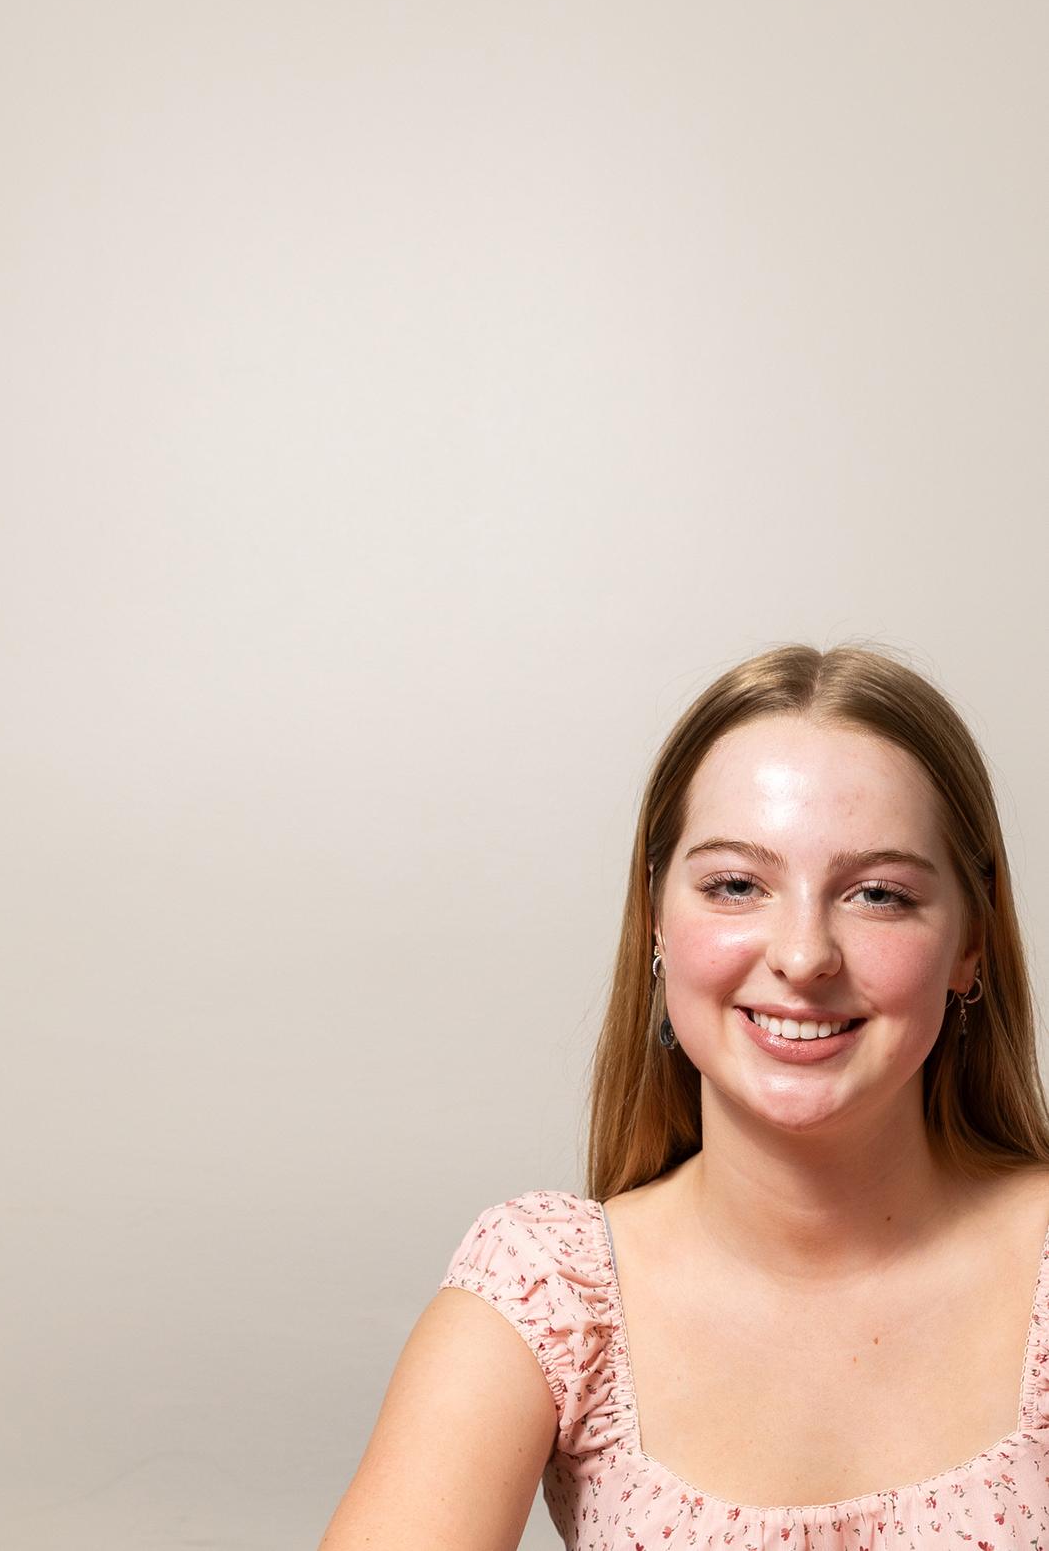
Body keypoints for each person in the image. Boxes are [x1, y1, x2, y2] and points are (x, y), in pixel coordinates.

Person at [317, 643, 1049, 1549]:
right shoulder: (551, 1295)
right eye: (737, 885)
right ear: (656, 920)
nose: (803, 954)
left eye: (877, 894)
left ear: (972, 942)